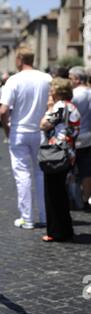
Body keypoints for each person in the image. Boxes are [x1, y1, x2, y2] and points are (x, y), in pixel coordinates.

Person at [0, 46, 52, 229]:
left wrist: (7, 128)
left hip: (19, 131)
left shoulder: (13, 80)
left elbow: (3, 110)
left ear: (20, 59)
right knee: (41, 174)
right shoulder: (47, 78)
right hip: (41, 132)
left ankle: (27, 218)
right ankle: (45, 216)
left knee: (22, 175)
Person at [40, 78, 80, 242]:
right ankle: (65, 229)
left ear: (58, 91)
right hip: (68, 152)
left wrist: (49, 108)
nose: (50, 91)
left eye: (52, 89)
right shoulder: (71, 106)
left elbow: (44, 125)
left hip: (56, 153)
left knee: (53, 193)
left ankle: (56, 231)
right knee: (61, 193)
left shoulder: (60, 106)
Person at [68, 66, 91, 210]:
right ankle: (86, 198)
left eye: (70, 78)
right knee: (87, 170)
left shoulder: (74, 95)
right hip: (89, 135)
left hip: (77, 136)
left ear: (77, 79)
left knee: (72, 169)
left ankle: (74, 198)